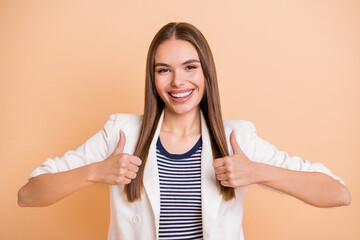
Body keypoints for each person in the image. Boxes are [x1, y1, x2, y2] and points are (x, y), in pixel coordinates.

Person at [18, 22, 351, 240]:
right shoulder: (121, 134)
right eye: (164, 70)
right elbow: (28, 194)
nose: (178, 82)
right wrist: (96, 172)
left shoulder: (236, 139)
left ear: (206, 73)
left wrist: (257, 171)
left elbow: (338, 193)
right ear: (153, 78)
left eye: (190, 67)